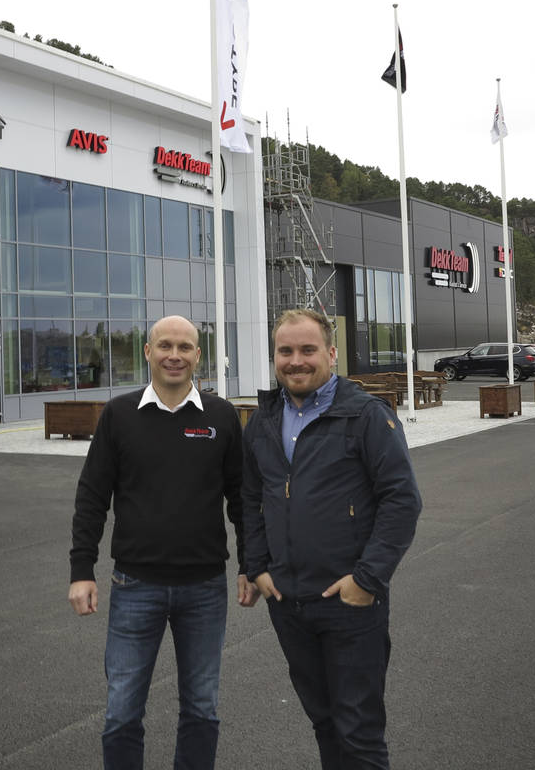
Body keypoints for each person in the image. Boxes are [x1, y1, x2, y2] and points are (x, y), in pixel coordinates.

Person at [69, 314, 258, 769]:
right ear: (149, 352)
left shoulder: (221, 416)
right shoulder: (118, 415)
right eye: (165, 345)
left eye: (185, 347)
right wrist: (81, 572)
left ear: (198, 355)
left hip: (205, 589)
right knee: (121, 712)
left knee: (200, 709)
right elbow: (92, 497)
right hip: (136, 586)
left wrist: (250, 564)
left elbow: (243, 498)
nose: (175, 355)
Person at [242, 308, 422, 769]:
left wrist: (367, 580)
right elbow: (251, 496)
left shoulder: (364, 415)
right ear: (275, 357)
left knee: (358, 732)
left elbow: (402, 501)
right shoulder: (263, 420)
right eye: (286, 351)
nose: (296, 361)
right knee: (323, 722)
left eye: (308, 350)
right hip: (289, 602)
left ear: (331, 353)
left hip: (349, 603)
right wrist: (256, 565)